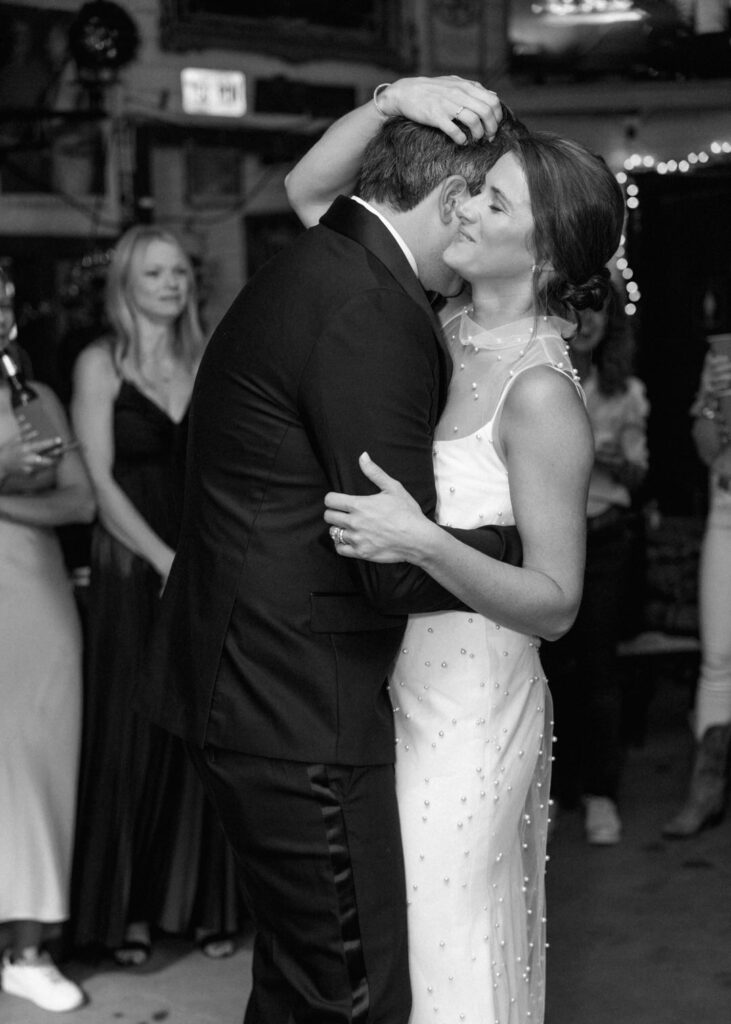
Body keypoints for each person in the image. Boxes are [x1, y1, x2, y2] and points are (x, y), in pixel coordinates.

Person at [139, 77, 529, 1024]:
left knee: (299, 986)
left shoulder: (322, 258)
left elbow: (309, 182)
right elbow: (390, 561)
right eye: (479, 200)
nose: (480, 219)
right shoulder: (371, 310)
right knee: (350, 998)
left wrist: (394, 101)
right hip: (296, 700)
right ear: (447, 201)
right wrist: (535, 548)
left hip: (250, 682)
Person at [289, 86, 624, 1021]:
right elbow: (313, 196)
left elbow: (556, 602)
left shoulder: (541, 397)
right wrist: (390, 101)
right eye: (473, 192)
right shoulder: (429, 322)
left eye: (493, 202)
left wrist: (421, 541)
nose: (464, 207)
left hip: (472, 711)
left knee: (447, 951)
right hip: (386, 690)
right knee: (393, 954)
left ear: (548, 251)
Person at [69, 225, 240, 964]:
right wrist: (163, 557)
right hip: (133, 564)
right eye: (154, 273)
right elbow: (99, 484)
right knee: (134, 736)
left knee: (205, 733)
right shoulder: (98, 363)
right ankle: (129, 913)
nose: (170, 285)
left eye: (178, 272)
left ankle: (206, 906)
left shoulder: (209, 359)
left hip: (201, 561)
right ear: (126, 285)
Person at [0, 268, 95, 1013]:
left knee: (38, 756)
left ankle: (28, 946)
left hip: (32, 593)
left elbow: (78, 500)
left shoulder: (35, 400)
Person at [540, 284, 649, 844]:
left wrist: (612, 461)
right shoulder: (544, 378)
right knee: (553, 670)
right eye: (579, 309)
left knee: (600, 668)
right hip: (553, 539)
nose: (588, 321)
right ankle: (556, 791)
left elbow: (638, 475)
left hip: (606, 539)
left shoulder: (624, 392)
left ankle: (603, 793)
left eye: (599, 311)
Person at [663, 345, 731, 837]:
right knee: (717, 658)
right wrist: (715, 401)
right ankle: (706, 791)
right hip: (726, 514)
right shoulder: (721, 360)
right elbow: (708, 450)